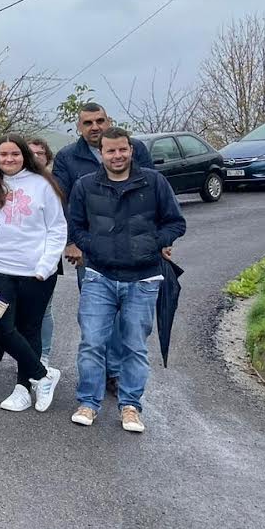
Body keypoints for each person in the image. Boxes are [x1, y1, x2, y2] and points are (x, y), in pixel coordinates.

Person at [67, 127, 185, 432]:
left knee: (134, 345)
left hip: (143, 278)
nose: (117, 156)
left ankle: (131, 406)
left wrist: (153, 243)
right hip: (99, 275)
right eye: (110, 151)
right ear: (101, 153)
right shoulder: (85, 185)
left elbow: (176, 222)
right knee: (92, 342)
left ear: (130, 150)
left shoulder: (154, 182)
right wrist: (92, 245)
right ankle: (88, 403)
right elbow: (76, 225)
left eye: (122, 150)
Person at [52, 102, 155, 395]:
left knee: (130, 315)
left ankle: (120, 368)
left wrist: (160, 242)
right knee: (100, 315)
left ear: (108, 120)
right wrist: (71, 241)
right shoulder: (68, 158)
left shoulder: (133, 148)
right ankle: (110, 372)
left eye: (100, 120)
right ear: (79, 127)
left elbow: (152, 194)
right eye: (88, 123)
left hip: (135, 247)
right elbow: (64, 202)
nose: (95, 126)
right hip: (92, 251)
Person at [0, 134, 67, 413]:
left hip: (36, 271)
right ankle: (44, 375)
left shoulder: (43, 184)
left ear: (24, 155)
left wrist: (46, 266)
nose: (9, 159)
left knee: (30, 328)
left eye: (15, 154)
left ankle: (23, 388)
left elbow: (57, 228)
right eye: (3, 155)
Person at [27, 137, 60, 366]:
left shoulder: (54, 185)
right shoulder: (11, 183)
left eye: (40, 153)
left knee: (44, 309)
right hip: (17, 259)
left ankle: (43, 355)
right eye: (31, 153)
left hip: (46, 256)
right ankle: (27, 355)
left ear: (47, 158)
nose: (36, 157)